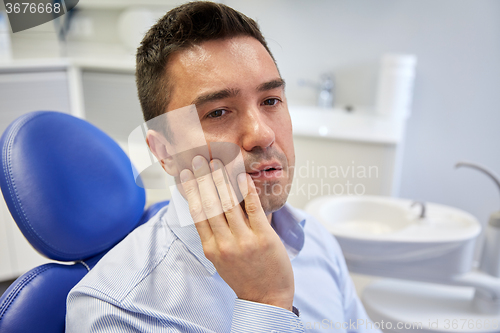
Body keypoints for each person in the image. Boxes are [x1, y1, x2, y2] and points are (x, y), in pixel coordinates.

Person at [66, 2, 381, 332]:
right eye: (217, 112)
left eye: (270, 101)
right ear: (165, 152)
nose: (262, 134)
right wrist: (265, 301)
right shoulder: (118, 310)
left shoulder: (315, 238)